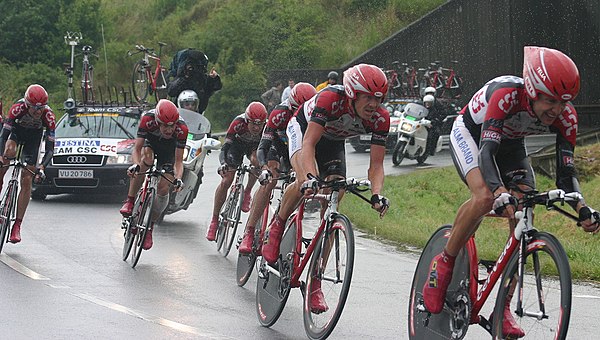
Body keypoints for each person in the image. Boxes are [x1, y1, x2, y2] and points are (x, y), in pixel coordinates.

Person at [422, 46, 598, 338]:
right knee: (485, 198)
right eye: (550, 101)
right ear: (531, 91)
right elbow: (487, 154)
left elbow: (566, 173)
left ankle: (502, 306)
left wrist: (582, 209)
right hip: (474, 136)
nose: (557, 110)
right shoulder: (506, 95)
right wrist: (500, 191)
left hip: (512, 146)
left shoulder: (566, 117)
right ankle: (445, 261)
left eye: (564, 102)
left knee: (523, 211)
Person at [261, 64, 391, 313]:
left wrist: (377, 194)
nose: (373, 104)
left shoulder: (380, 119)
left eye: (378, 98)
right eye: (367, 97)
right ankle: (276, 226)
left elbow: (376, 165)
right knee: (303, 183)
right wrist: (309, 177)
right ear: (353, 93)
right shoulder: (331, 99)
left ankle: (315, 282)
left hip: (333, 142)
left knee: (335, 194)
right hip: (303, 130)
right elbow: (308, 144)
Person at [238, 83, 317, 254]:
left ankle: (279, 221)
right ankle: (249, 232)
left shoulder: (317, 114)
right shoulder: (279, 114)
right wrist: (265, 168)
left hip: (298, 149)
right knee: (270, 179)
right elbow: (263, 147)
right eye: (297, 109)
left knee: (304, 183)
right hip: (277, 147)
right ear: (291, 105)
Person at [119, 99, 187, 250]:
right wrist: (136, 165)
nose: (169, 130)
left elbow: (178, 161)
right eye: (164, 125)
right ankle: (130, 201)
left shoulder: (182, 128)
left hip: (168, 151)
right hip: (151, 144)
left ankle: (150, 227)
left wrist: (178, 179)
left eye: (172, 126)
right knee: (146, 161)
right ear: (157, 121)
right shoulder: (147, 119)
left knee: (163, 189)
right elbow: (136, 149)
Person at [0, 84, 55, 243]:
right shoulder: (17, 108)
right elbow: (3, 135)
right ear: (26, 104)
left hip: (34, 138)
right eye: (34, 108)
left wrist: (42, 166)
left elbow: (50, 148)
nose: (38, 112)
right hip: (16, 132)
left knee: (27, 177)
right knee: (8, 152)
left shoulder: (48, 116)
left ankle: (17, 225)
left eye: (41, 108)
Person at [206, 102, 268, 241]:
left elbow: (266, 150)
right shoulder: (238, 123)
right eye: (253, 124)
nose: (257, 128)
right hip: (236, 147)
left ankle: (247, 192)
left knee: (256, 161)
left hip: (255, 148)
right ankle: (214, 220)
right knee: (227, 180)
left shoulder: (266, 128)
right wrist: (223, 164)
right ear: (247, 120)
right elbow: (225, 147)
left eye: (260, 124)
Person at [167, 49, 222, 114]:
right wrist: (185, 78)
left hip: (198, 117)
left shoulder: (202, 80)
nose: (190, 107)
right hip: (179, 115)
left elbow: (216, 87)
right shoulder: (181, 79)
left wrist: (214, 78)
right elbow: (171, 91)